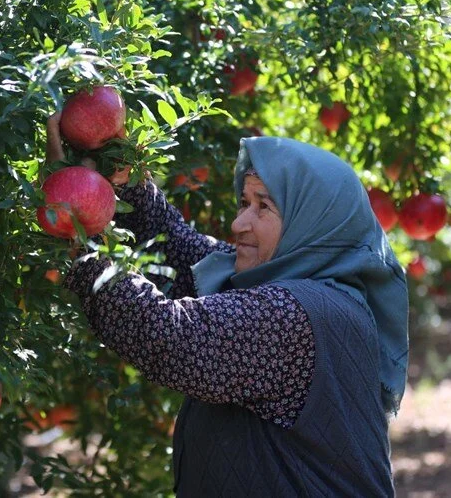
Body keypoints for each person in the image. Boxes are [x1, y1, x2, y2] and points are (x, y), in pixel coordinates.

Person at [46, 115, 409, 497]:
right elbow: (175, 249)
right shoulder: (291, 284)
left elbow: (169, 337)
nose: (239, 224)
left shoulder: (299, 315)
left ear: (313, 222)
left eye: (263, 207)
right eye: (244, 203)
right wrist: (121, 172)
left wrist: (78, 228)